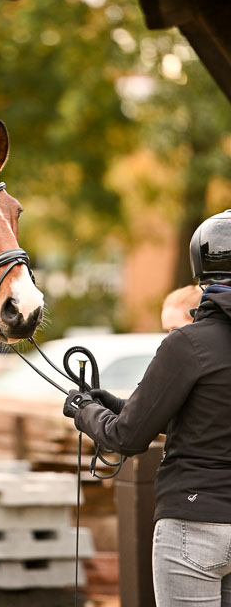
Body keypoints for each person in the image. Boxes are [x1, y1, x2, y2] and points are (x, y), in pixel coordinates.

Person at [64, 209, 231, 607]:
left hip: (194, 525)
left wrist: (84, 410)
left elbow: (127, 437)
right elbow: (203, 423)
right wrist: (117, 405)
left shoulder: (188, 343)